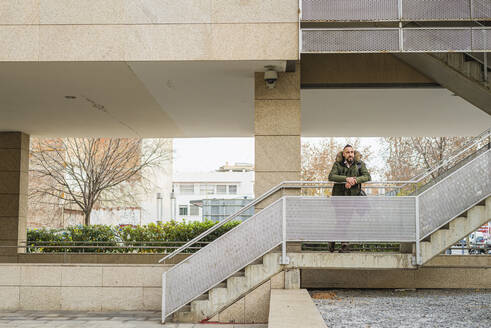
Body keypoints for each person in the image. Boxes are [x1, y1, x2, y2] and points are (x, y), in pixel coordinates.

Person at [327, 144, 371, 252]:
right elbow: (331, 176)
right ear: (344, 154)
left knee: (345, 220)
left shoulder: (360, 164)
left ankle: (332, 240)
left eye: (351, 152)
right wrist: (346, 179)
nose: (350, 154)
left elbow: (367, 176)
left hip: (352, 198)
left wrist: (354, 181)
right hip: (339, 197)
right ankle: (344, 245)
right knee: (342, 219)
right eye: (347, 152)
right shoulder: (338, 164)